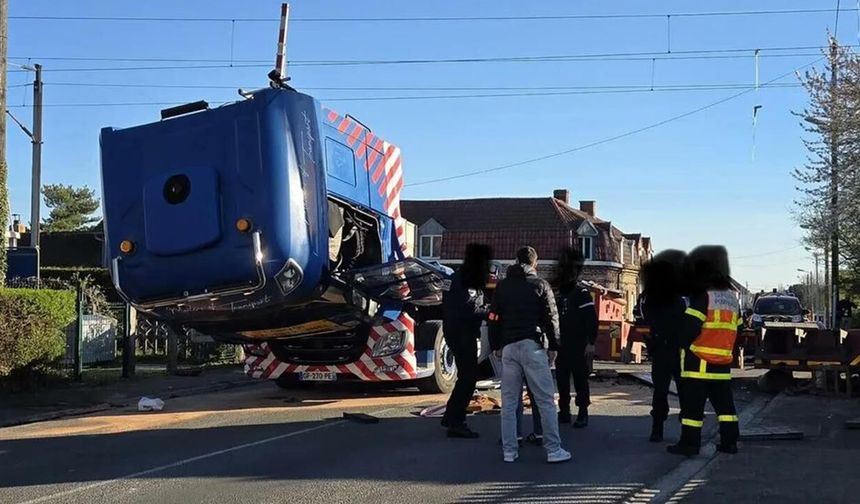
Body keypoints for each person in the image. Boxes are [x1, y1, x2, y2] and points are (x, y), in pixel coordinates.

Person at [489, 246, 571, 464]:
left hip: (508, 347)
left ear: (515, 261)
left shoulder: (502, 286)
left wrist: (496, 345)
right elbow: (552, 317)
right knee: (545, 400)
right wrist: (554, 346)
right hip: (532, 345)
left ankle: (509, 451)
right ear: (535, 263)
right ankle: (553, 450)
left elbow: (493, 317)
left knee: (509, 402)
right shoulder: (541, 285)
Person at [668, 245, 743, 456]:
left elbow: (690, 327)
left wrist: (681, 344)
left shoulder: (704, 296)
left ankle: (690, 445)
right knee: (726, 408)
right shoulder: (731, 299)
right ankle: (730, 443)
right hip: (722, 363)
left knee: (693, 410)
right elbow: (739, 328)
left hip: (698, 362)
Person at [440, 243, 492, 438]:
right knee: (468, 379)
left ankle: (450, 415)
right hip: (463, 334)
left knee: (465, 377)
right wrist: (492, 313)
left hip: (454, 331)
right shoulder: (466, 280)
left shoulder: (455, 276)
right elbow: (470, 309)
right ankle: (456, 422)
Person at [638, 249, 688, 442]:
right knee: (683, 390)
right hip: (676, 350)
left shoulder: (652, 298)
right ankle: (685, 427)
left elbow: (645, 315)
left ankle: (657, 428)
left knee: (660, 391)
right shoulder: (678, 300)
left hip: (660, 349)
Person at [553, 247, 598, 428]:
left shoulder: (581, 294)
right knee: (562, 380)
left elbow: (591, 320)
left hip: (578, 344)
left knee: (580, 379)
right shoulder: (558, 294)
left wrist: (591, 342)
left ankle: (582, 412)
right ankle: (564, 411)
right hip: (560, 344)